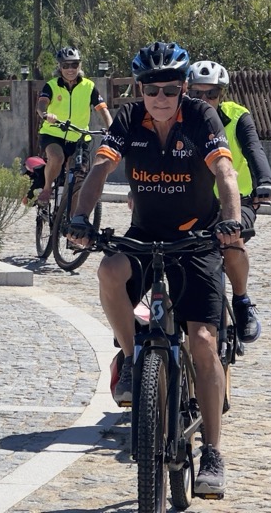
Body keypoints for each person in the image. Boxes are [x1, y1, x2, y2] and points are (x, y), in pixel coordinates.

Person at [65, 41, 242, 498]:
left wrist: (231, 220)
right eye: (150, 89)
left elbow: (226, 174)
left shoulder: (201, 118)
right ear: (139, 89)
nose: (160, 97)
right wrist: (81, 220)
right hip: (144, 235)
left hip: (197, 239)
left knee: (203, 340)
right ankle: (129, 358)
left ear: (183, 88)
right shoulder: (126, 120)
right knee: (108, 272)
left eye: (169, 88)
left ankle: (214, 452)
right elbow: (99, 174)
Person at [187, 60, 271, 346]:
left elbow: (254, 148)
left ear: (221, 95)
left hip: (238, 199)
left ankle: (241, 301)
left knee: (231, 241)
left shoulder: (237, 117)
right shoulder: (178, 119)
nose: (204, 101)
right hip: (193, 201)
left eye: (211, 94)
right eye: (197, 94)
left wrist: (265, 181)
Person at [36, 46, 113, 205]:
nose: (70, 69)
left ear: (80, 66)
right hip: (53, 134)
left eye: (74, 65)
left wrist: (113, 129)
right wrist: (45, 115)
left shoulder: (88, 86)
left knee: (79, 177)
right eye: (66, 65)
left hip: (79, 137)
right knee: (57, 157)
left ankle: (69, 220)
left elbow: (103, 110)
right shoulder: (51, 85)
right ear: (60, 67)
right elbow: (41, 104)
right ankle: (46, 189)